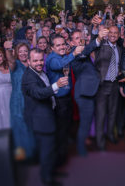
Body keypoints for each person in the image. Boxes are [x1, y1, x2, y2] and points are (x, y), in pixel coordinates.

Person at [22, 48, 68, 186]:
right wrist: (57, 85)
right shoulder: (29, 77)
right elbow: (38, 93)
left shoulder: (40, 72)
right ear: (29, 61)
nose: (39, 63)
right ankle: (46, 178)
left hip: (48, 115)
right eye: (35, 60)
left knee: (51, 148)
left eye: (41, 60)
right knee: (46, 151)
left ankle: (51, 171)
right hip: (40, 120)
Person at [46, 35, 83, 165]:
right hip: (59, 100)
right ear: (51, 47)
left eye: (63, 44)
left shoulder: (63, 56)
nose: (62, 47)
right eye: (58, 45)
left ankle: (62, 154)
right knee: (60, 131)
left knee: (66, 127)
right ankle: (58, 161)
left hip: (67, 98)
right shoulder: (52, 59)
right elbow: (59, 65)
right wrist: (73, 53)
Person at [71, 27, 107, 156]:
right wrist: (98, 38)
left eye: (80, 37)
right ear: (71, 43)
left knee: (88, 122)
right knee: (85, 123)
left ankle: (85, 146)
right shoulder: (74, 53)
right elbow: (86, 50)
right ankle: (81, 150)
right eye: (76, 38)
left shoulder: (83, 53)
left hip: (90, 92)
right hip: (84, 94)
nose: (79, 40)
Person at [5, 42, 35, 160]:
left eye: (25, 51)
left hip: (30, 99)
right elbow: (11, 60)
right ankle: (21, 156)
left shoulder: (32, 64)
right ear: (16, 53)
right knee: (19, 128)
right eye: (20, 51)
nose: (23, 53)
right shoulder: (15, 64)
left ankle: (32, 152)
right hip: (18, 100)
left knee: (30, 126)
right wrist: (8, 49)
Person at [93, 26, 122, 150]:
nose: (113, 35)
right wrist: (96, 31)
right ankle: (100, 142)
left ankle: (110, 134)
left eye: (116, 33)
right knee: (101, 114)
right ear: (107, 34)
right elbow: (94, 42)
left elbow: (117, 64)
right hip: (102, 85)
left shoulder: (119, 49)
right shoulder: (102, 45)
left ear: (119, 35)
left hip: (114, 84)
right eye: (111, 32)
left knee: (112, 112)